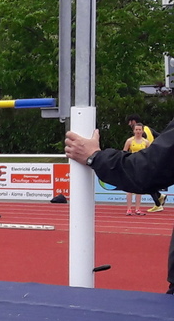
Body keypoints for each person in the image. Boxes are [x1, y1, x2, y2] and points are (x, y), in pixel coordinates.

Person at [66, 122, 174, 293]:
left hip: (138, 172)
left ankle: (143, 205)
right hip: (136, 170)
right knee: (133, 192)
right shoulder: (131, 141)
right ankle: (136, 207)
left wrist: (96, 157)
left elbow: (149, 169)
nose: (138, 131)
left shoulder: (146, 142)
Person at [127, 114, 167, 212]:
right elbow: (160, 136)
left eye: (130, 122)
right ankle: (159, 196)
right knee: (148, 182)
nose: (129, 124)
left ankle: (158, 203)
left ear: (134, 121)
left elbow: (140, 143)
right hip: (152, 156)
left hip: (143, 160)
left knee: (145, 183)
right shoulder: (149, 129)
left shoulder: (141, 135)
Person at [123, 124, 150, 215]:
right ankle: (129, 209)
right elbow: (124, 153)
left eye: (139, 130)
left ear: (142, 131)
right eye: (136, 129)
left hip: (141, 167)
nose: (138, 131)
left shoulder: (146, 142)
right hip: (131, 166)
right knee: (129, 188)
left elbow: (149, 155)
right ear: (134, 131)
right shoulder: (129, 141)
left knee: (139, 188)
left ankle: (137, 209)